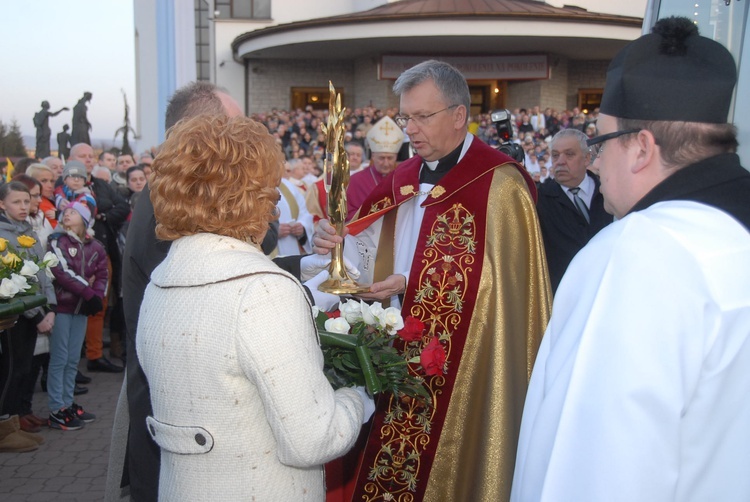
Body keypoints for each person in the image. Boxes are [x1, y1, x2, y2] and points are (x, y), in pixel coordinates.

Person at [512, 17, 750, 501]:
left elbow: (592, 470)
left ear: (641, 148)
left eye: (599, 143)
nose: (595, 162)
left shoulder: (633, 257)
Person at [314, 59, 551, 501]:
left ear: (459, 116)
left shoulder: (501, 185)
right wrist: (333, 242)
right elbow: (363, 248)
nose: (411, 130)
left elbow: (502, 292)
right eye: (406, 117)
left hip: (468, 364)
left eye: (423, 117)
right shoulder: (403, 178)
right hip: (395, 359)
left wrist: (412, 281)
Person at [137, 113, 368, 500]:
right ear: (249, 198)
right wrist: (359, 395)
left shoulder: (162, 279)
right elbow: (313, 440)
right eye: (271, 195)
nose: (275, 209)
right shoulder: (262, 291)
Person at [0, 182, 56, 442]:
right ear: (2, 204)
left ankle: (19, 416)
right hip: (15, 315)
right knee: (12, 368)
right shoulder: (4, 234)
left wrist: (50, 307)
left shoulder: (29, 231)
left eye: (26, 202)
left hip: (35, 309)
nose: (23, 207)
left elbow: (42, 270)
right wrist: (37, 314)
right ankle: (6, 426)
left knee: (25, 366)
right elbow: (12, 281)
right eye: (16, 202)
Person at [67, 143, 129, 374]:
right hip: (72, 254)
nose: (88, 160)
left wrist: (103, 216)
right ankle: (71, 363)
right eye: (82, 156)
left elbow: (122, 206)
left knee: (98, 304)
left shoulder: (101, 185)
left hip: (101, 251)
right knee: (70, 308)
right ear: (70, 160)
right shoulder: (63, 188)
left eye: (90, 156)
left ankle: (94, 355)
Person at [46, 202, 108, 430]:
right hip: (63, 307)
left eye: (74, 212)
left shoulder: (95, 246)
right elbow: (61, 272)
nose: (67, 215)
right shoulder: (57, 240)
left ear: (84, 219)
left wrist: (97, 296)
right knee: (59, 358)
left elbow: (102, 273)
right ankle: (56, 408)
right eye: (66, 212)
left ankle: (67, 402)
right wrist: (89, 292)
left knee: (72, 359)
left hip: (82, 308)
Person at [536, 129, 612, 293]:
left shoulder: (611, 193)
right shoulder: (538, 200)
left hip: (608, 289)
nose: (560, 162)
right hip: (563, 296)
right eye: (555, 155)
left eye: (569, 154)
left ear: (587, 158)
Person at [345, 116, 403, 219]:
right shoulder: (356, 181)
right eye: (381, 158)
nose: (386, 163)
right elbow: (348, 214)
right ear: (373, 156)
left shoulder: (403, 179)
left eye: (390, 158)